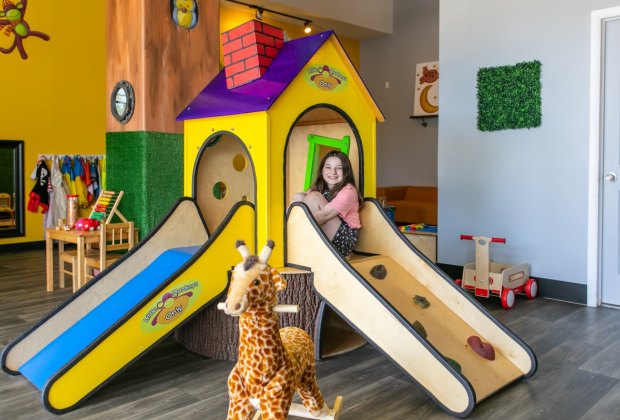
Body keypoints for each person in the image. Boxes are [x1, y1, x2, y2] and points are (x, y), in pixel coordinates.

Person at [292, 151, 363, 258]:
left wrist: (293, 225)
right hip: (328, 228)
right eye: (328, 167)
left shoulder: (348, 192)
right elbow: (303, 203)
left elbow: (325, 215)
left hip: (344, 239)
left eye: (339, 168)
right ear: (322, 170)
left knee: (313, 197)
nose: (333, 172)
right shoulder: (321, 188)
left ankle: (303, 243)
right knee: (299, 197)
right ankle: (303, 241)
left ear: (346, 171)